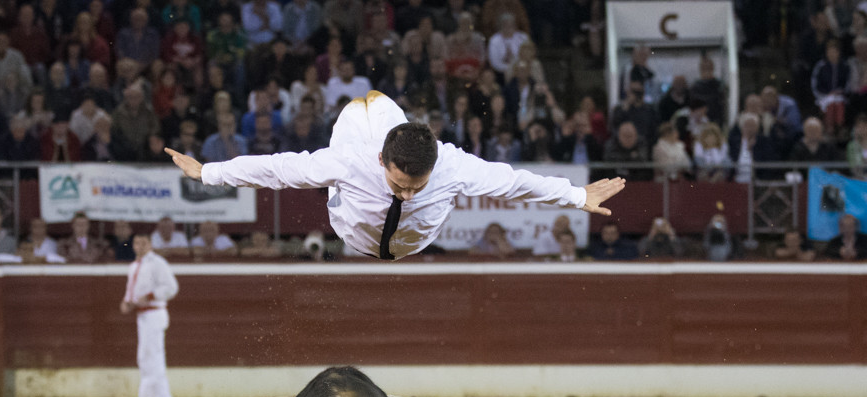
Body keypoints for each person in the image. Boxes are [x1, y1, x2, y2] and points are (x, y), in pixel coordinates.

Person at [168, 91, 622, 260]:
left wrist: (575, 195)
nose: (405, 195)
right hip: (352, 231)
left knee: (370, 115)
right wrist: (209, 171)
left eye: (415, 186)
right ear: (382, 161)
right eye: (399, 184)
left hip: (417, 241)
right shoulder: (350, 160)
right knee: (341, 143)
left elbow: (515, 182)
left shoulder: (451, 164)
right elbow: (277, 168)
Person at [121, 233, 179, 397]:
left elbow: (171, 287)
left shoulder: (157, 263)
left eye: (143, 243)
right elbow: (132, 291)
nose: (140, 246)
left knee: (154, 358)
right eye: (137, 242)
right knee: (145, 358)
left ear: (150, 244)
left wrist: (151, 296)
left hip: (154, 313)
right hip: (143, 315)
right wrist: (127, 302)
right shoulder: (134, 266)